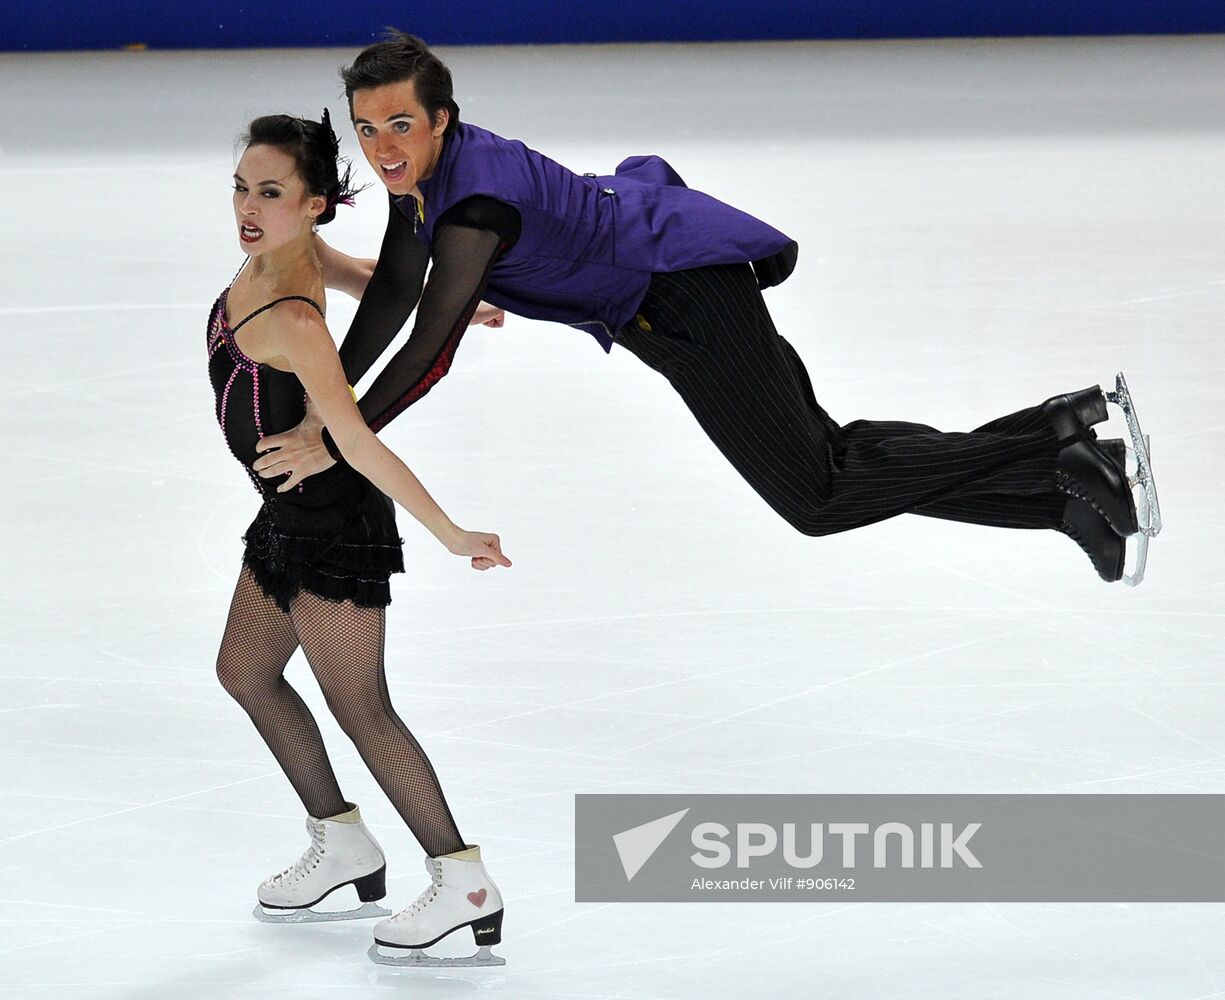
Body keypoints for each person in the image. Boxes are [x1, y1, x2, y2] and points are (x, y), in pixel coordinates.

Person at [252, 30, 1157, 592]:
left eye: (400, 125)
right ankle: (1062, 493)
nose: (382, 149)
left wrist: (336, 432)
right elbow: (395, 301)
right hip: (656, 303)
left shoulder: (472, 205)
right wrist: (335, 384)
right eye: (365, 129)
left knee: (816, 495)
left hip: (681, 286)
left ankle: (1054, 440)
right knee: (830, 461)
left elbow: (428, 353)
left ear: (443, 118)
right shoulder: (423, 189)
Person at [208, 111, 507, 968]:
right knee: (245, 671)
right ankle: (341, 843)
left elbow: (362, 441)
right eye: (241, 187)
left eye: (271, 193)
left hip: (334, 524)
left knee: (360, 705)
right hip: (286, 513)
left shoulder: (295, 318)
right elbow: (378, 275)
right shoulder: (289, 257)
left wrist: (451, 532)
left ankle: (462, 879)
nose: (248, 208)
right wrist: (461, 302)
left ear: (315, 204)